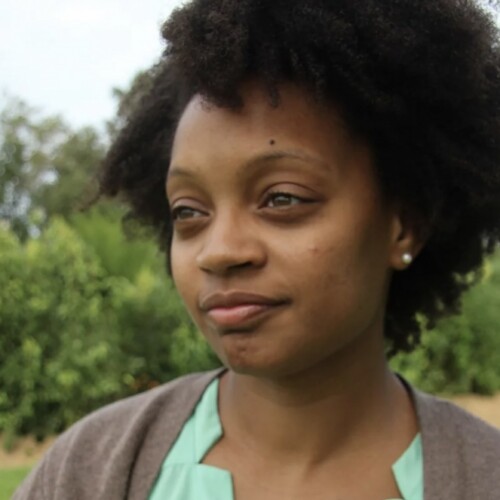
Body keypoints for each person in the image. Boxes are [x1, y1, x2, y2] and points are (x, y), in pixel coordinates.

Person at [14, 0, 500, 499]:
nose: (219, 252)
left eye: (282, 198)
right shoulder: (89, 471)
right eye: (188, 211)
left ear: (405, 226)